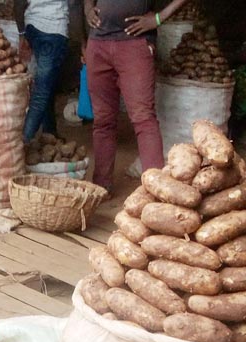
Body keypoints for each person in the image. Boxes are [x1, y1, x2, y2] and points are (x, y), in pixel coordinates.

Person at [82, 0, 191, 196]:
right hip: (98, 44)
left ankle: (155, 192)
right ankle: (101, 186)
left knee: (143, 118)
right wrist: (88, 8)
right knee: (103, 121)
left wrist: (159, 17)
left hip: (134, 45)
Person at [15, 0, 69, 142]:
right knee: (42, 91)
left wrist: (22, 33)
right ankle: (24, 140)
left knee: (47, 84)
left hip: (32, 27)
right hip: (53, 29)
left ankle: (49, 131)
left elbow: (19, 4)